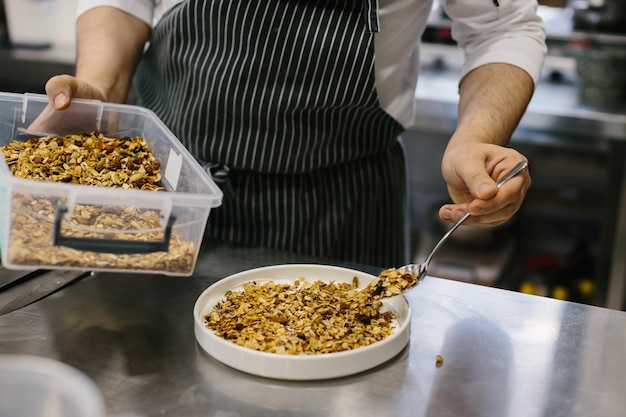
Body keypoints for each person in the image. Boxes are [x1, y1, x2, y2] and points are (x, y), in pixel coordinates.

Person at [43, 0, 546, 268]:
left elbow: (501, 27)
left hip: (336, 206)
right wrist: (101, 90)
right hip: (167, 185)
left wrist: (476, 134)